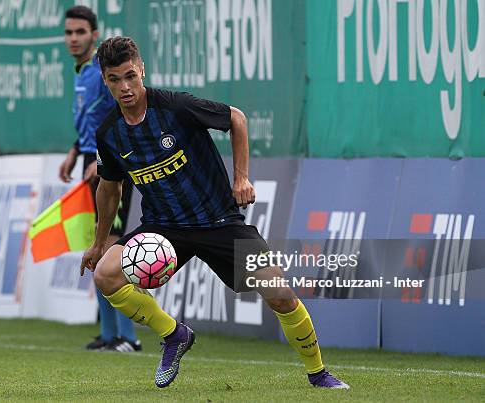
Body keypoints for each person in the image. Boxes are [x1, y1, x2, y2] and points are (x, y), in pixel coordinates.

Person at [80, 36, 350, 389]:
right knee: (106, 274)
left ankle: (319, 374)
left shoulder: (176, 107)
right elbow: (110, 187)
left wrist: (241, 178)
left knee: (280, 294)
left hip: (217, 220)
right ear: (105, 80)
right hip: (163, 229)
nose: (125, 87)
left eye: (130, 76)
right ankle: (174, 335)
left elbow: (236, 119)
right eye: (115, 80)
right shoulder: (110, 133)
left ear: (141, 69)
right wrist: (100, 243)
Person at [59, 6, 140, 353]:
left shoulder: (102, 72)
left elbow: (118, 114)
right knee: (96, 246)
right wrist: (77, 150)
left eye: (80, 32)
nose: (73, 38)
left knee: (112, 248)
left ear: (94, 34)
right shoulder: (80, 72)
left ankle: (129, 337)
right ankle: (109, 334)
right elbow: (89, 119)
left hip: (110, 162)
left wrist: (101, 156)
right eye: (69, 33)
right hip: (90, 160)